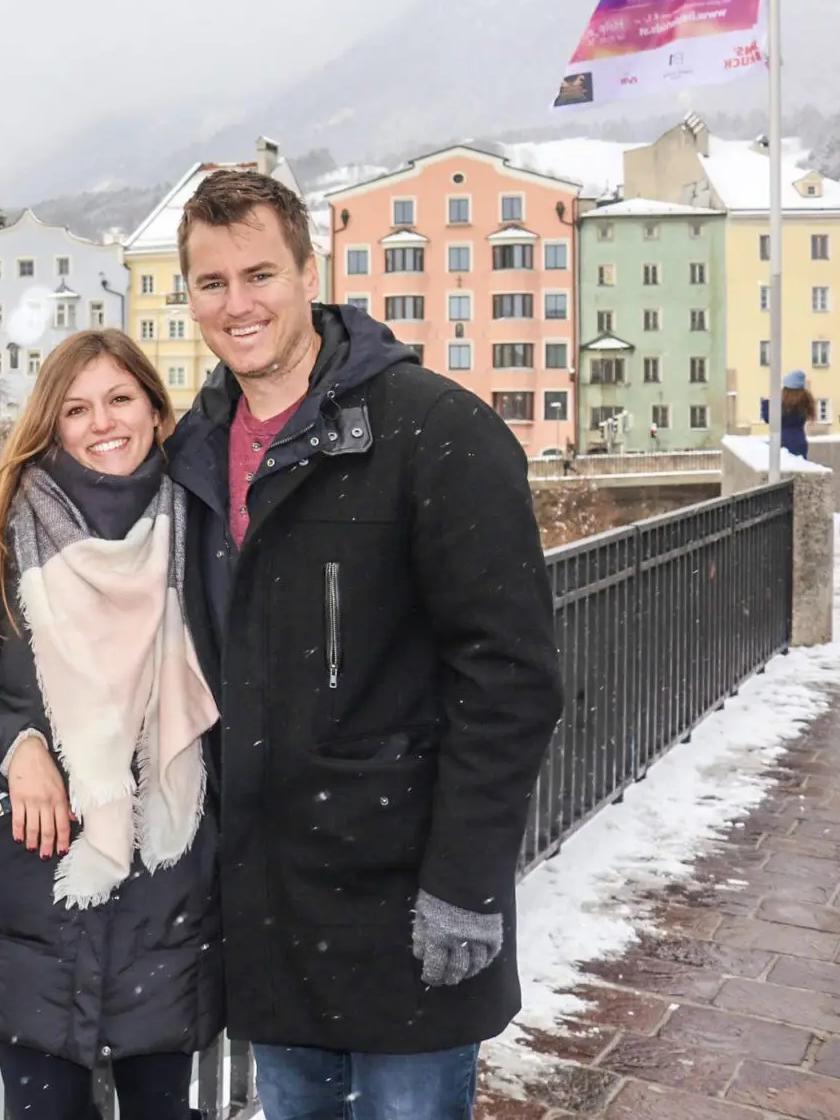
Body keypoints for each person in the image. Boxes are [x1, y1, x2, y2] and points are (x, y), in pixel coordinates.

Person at [164, 170, 563, 1119]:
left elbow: (509, 679)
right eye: (211, 283)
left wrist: (465, 885)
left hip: (406, 894)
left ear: (311, 272)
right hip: (272, 902)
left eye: (259, 274)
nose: (238, 304)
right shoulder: (196, 449)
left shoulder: (434, 432)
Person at [0, 329, 221, 1120]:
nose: (102, 422)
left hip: (170, 896)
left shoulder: (211, 533)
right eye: (76, 408)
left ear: (155, 410)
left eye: (120, 399)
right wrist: (13, 748)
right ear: (51, 425)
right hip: (42, 903)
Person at [772, 370, 815, 459]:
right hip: (800, 440)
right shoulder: (805, 400)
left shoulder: (786, 406)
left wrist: (767, 403)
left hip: (785, 442)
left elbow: (770, 418)